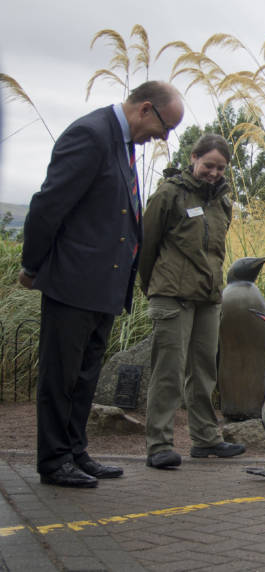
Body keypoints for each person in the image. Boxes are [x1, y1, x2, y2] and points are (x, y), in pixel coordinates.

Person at [19, 81, 184, 487]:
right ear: (146, 109)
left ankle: (75, 451)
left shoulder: (121, 142)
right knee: (61, 375)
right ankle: (54, 460)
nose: (162, 139)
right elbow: (49, 205)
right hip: (73, 281)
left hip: (104, 286)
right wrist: (31, 263)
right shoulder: (90, 135)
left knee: (85, 375)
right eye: (164, 128)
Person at [139, 134, 245, 469]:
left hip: (208, 297)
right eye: (208, 165)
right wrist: (153, 286)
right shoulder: (169, 193)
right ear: (193, 157)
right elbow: (146, 245)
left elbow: (215, 250)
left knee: (203, 372)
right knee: (168, 371)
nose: (213, 173)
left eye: (220, 167)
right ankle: (159, 444)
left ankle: (205, 439)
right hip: (172, 295)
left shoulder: (222, 201)